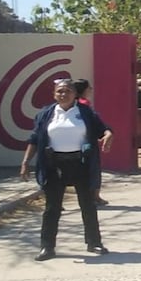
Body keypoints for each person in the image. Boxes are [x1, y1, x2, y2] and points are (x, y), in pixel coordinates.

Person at [20, 77, 113, 261]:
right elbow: (35, 139)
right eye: (59, 91)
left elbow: (104, 129)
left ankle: (94, 242)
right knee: (52, 207)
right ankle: (47, 247)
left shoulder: (85, 112)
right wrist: (25, 162)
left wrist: (109, 135)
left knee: (87, 204)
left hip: (80, 163)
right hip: (54, 164)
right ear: (54, 94)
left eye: (67, 91)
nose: (63, 94)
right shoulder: (46, 114)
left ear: (75, 94)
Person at [72, 79, 109, 206]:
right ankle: (95, 196)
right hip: (87, 142)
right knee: (93, 168)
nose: (91, 90)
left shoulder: (74, 105)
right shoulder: (84, 105)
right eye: (89, 88)